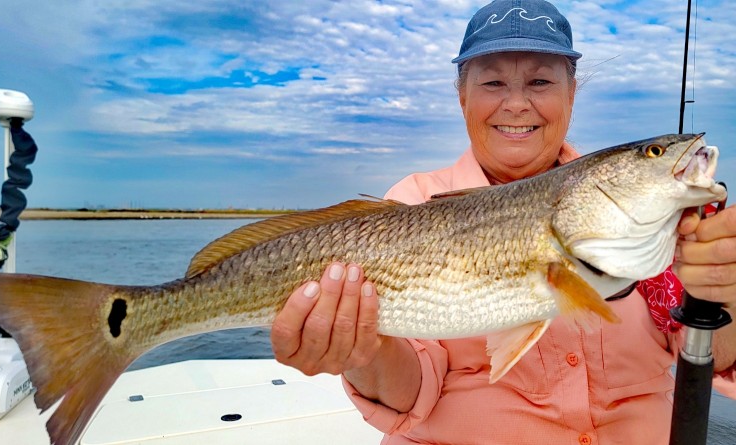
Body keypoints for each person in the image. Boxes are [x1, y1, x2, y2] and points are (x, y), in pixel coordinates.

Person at [270, 0, 736, 443]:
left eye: (540, 83)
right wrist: (362, 354)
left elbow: (713, 356)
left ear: (571, 92)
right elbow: (408, 391)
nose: (516, 104)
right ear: (461, 96)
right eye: (493, 83)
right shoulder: (409, 209)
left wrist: (727, 295)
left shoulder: (671, 220)